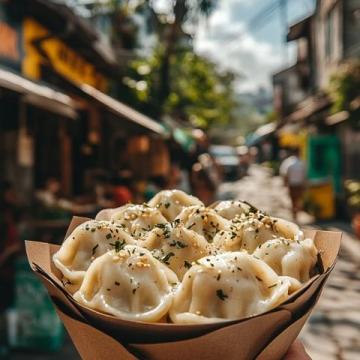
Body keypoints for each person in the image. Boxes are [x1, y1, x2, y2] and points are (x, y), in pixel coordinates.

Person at [279, 148, 306, 220]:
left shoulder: (288, 162)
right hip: (299, 184)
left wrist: (285, 183)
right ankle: (296, 213)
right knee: (298, 199)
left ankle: (295, 213)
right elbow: (305, 175)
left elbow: (284, 174)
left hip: (292, 184)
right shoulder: (302, 162)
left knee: (293, 200)